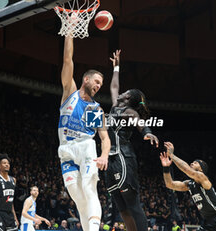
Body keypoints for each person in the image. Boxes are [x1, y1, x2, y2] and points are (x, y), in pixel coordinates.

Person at [58, 34, 111, 231]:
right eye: (96, 81)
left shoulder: (95, 109)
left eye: (100, 85)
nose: (98, 86)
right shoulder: (69, 93)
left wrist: (104, 155)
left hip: (86, 146)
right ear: (86, 79)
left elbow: (104, 138)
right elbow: (67, 60)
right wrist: (70, 32)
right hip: (66, 149)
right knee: (77, 196)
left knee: (89, 188)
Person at [105, 50, 159, 231]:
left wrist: (148, 132)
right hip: (110, 159)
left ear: (129, 99)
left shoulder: (130, 113)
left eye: (126, 93)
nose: (122, 93)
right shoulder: (115, 106)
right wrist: (116, 67)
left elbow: (140, 124)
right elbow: (113, 87)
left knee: (132, 204)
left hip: (123, 158)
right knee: (122, 208)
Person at [160, 142, 216, 231]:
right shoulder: (190, 184)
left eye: (195, 163)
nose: (192, 163)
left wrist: (171, 155)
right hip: (208, 222)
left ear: (201, 169)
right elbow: (170, 184)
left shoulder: (203, 178)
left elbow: (187, 170)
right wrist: (166, 168)